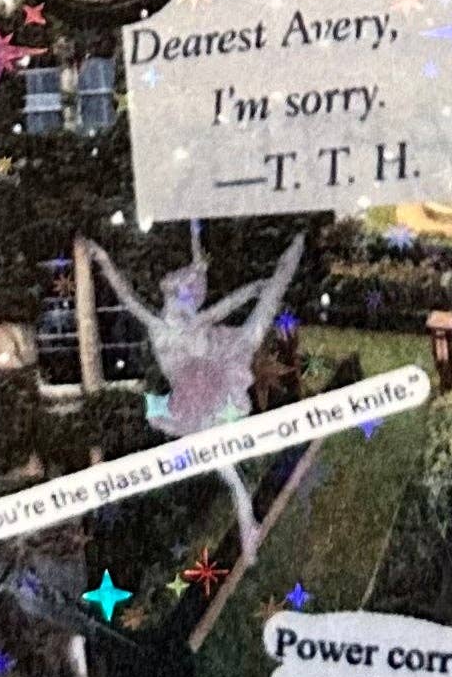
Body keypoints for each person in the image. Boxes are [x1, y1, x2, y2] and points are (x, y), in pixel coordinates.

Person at [85, 229, 305, 558]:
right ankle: (248, 529)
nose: (184, 307)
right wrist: (103, 260)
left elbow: (222, 306)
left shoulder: (182, 323)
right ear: (172, 301)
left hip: (208, 388)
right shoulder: (165, 325)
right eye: (182, 300)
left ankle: (248, 530)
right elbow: (128, 297)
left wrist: (254, 289)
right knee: (225, 467)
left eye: (187, 302)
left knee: (257, 323)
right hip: (198, 399)